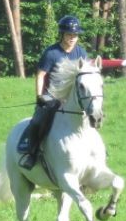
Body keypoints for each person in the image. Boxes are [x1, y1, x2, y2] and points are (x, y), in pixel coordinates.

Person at [18, 15, 89, 168]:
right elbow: (41, 75)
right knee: (38, 120)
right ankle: (32, 152)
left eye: (75, 35)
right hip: (52, 96)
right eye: (69, 34)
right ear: (62, 34)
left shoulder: (81, 53)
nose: (72, 38)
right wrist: (39, 96)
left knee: (91, 115)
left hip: (72, 97)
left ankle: (95, 152)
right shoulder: (51, 53)